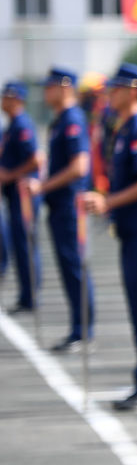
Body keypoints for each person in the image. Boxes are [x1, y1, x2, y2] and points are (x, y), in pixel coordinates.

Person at [82, 64, 137, 413]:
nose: (110, 95)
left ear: (133, 91)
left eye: (116, 89)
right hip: (133, 231)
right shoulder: (124, 126)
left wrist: (109, 202)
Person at [31, 67, 96, 352]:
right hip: (59, 206)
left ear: (65, 87)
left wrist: (43, 186)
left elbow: (79, 166)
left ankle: (83, 330)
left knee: (75, 267)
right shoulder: (60, 119)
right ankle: (78, 328)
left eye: (50, 87)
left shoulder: (72, 119)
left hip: (70, 206)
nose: (46, 92)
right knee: (69, 268)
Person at [0, 82, 40, 314]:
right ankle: (26, 295)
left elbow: (35, 160)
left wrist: (10, 175)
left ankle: (31, 296)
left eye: (7, 97)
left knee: (25, 245)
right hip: (14, 195)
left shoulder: (22, 124)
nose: (3, 101)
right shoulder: (12, 125)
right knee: (20, 245)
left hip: (24, 194)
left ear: (17, 99)